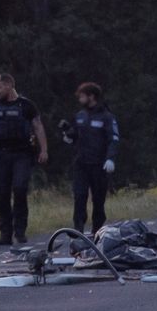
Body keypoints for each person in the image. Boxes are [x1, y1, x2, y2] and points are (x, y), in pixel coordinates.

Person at [0, 73, 48, 245]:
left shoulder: (27, 105)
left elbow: (38, 126)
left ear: (8, 86)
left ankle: (20, 230)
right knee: (3, 193)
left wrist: (44, 149)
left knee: (20, 188)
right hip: (1, 154)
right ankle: (5, 232)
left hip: (22, 153)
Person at [60, 82, 118, 235]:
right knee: (79, 196)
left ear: (91, 96)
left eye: (82, 96)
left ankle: (97, 229)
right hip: (81, 163)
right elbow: (74, 136)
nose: (80, 99)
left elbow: (113, 138)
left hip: (99, 164)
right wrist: (68, 136)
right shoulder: (80, 116)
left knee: (98, 199)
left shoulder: (107, 117)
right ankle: (78, 227)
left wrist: (110, 158)